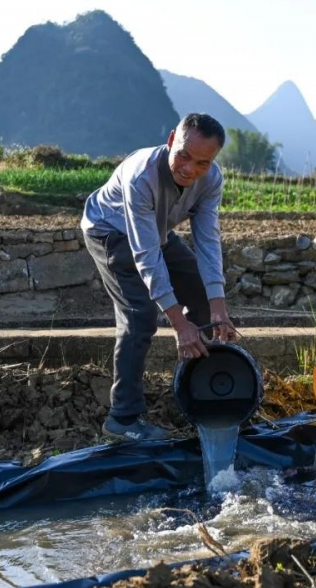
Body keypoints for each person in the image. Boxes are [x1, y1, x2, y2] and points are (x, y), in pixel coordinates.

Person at [81, 113, 238, 441]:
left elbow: (208, 241)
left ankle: (203, 390)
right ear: (170, 140)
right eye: (183, 155)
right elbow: (146, 256)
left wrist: (218, 308)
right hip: (112, 231)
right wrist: (180, 325)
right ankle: (122, 419)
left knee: (200, 294)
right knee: (139, 317)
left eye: (202, 163)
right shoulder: (142, 176)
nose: (190, 169)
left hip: (157, 232)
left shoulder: (210, 180)